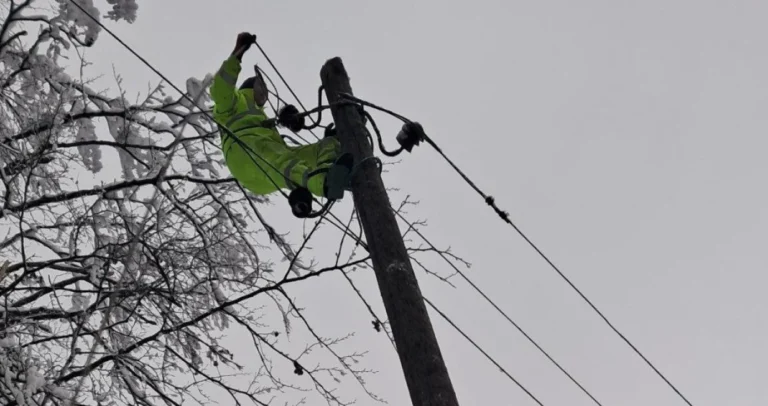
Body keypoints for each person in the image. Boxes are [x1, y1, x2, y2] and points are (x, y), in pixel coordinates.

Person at [210, 32, 349, 209]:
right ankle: (323, 183)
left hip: (264, 160)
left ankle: (332, 169)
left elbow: (270, 132)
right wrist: (237, 55)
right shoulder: (234, 102)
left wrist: (288, 120)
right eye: (261, 88)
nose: (264, 94)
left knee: (318, 149)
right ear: (251, 86)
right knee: (282, 160)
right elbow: (220, 89)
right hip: (245, 152)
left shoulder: (261, 115)